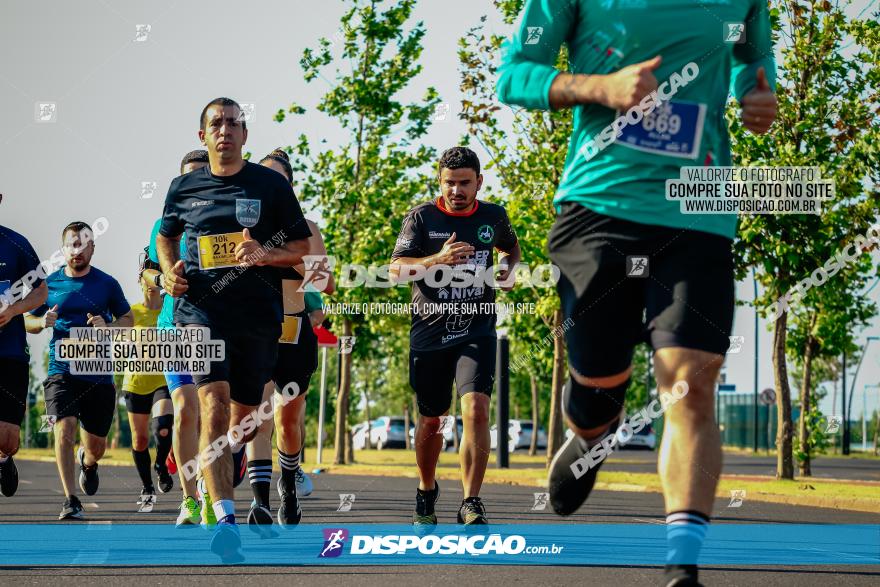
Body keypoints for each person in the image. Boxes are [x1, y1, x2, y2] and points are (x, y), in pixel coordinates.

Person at [496, 2, 776, 584]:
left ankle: (683, 563)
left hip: (699, 208)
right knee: (599, 387)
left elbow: (756, 58)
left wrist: (758, 96)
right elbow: (515, 74)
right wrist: (601, 86)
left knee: (690, 380)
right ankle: (590, 432)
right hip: (600, 207)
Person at [156, 98, 311, 560]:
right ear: (202, 135)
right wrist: (168, 272)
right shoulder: (183, 188)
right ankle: (224, 516)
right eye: (215, 124)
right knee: (212, 403)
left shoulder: (269, 186)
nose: (224, 130)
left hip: (257, 317)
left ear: (245, 135)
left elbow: (304, 248)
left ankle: (234, 457)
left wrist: (266, 254)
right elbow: (165, 236)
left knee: (242, 423)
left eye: (233, 124)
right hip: (198, 311)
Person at [391, 146, 520, 526]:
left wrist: (508, 271)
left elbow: (511, 250)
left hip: (476, 328)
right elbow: (394, 270)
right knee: (432, 421)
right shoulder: (420, 217)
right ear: (439, 181)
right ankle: (427, 489)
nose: (457, 190)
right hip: (429, 335)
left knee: (476, 408)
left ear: (479, 182)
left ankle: (471, 501)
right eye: (450, 183)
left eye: (465, 183)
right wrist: (436, 260)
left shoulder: (494, 216)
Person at [248, 148, 334, 529]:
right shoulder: (243, 228)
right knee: (258, 419)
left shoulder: (307, 228)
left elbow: (323, 282)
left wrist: (273, 255)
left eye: (279, 179)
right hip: (254, 331)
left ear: (290, 187)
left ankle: (289, 483)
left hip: (294, 331)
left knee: (288, 421)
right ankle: (260, 503)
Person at [25, 222, 134, 520]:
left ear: (92, 248)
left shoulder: (107, 284)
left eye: (83, 244)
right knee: (64, 426)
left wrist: (108, 325)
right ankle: (70, 499)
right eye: (72, 244)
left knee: (95, 445)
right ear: (63, 250)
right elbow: (28, 322)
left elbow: (128, 318)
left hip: (98, 374)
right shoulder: (50, 285)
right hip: (61, 371)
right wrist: (41, 322)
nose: (77, 250)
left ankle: (88, 462)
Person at [144, 149, 219, 528]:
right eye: (186, 178)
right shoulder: (164, 225)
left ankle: (213, 492)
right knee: (187, 408)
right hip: (174, 329)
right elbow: (146, 276)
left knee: (214, 412)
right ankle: (190, 499)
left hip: (216, 330)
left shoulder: (223, 220)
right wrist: (160, 281)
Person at [0, 201, 49, 499]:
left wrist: (14, 310)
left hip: (11, 353)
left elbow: (41, 290)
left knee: (7, 438)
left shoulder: (16, 243)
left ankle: (4, 458)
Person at [121, 253, 175, 509]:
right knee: (139, 440)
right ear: (141, 281)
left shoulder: (170, 309)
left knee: (163, 426)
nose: (151, 284)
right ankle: (147, 486)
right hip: (136, 382)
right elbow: (116, 335)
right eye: (147, 278)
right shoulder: (132, 312)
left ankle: (161, 464)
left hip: (163, 380)